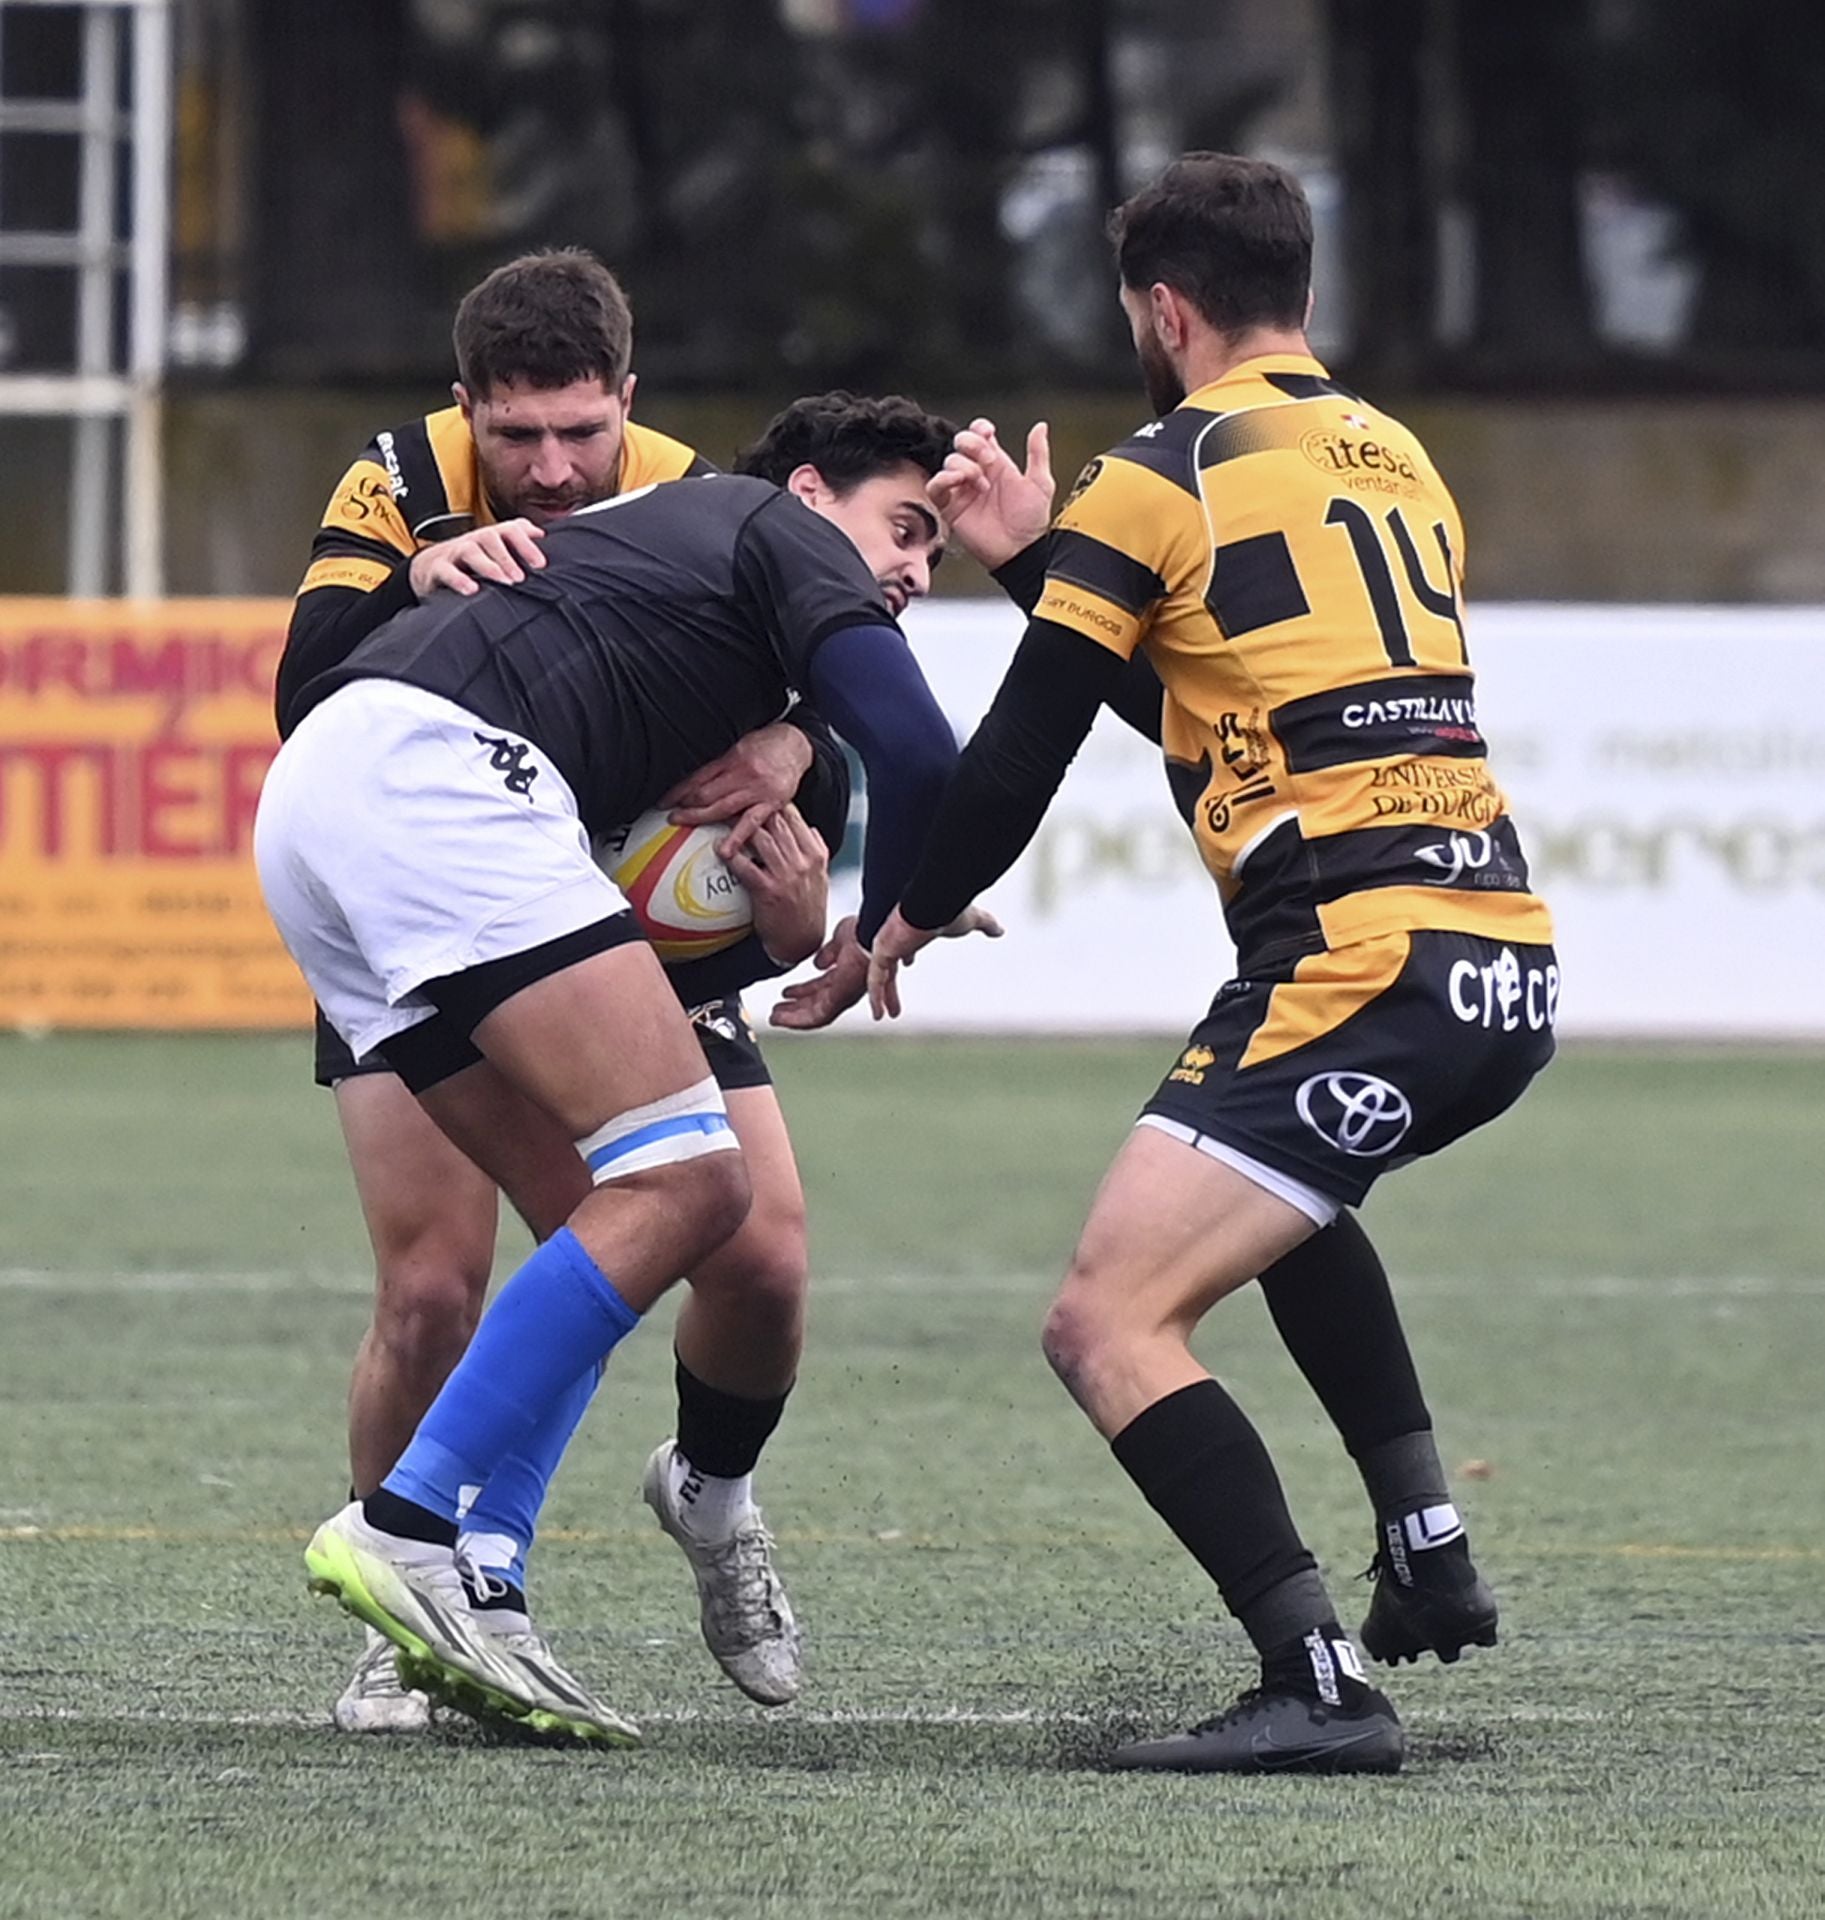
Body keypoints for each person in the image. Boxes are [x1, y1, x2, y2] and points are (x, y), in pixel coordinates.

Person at [872, 152, 1558, 1774]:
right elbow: (1211, 694)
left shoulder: (1159, 469)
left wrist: (892, 916)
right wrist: (1047, 562)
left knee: (1104, 1318)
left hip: (1352, 962)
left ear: (1162, 310)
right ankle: (1426, 1541)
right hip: (1497, 962)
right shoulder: (1398, 458)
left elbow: (1022, 746)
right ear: (1296, 293)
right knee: (1278, 1199)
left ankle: (1314, 1679)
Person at [257, 391, 1008, 1743]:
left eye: (929, 556)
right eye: (898, 530)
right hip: (443, 788)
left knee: (599, 1216)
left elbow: (799, 783)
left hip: (325, 807)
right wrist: (883, 932)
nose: (904, 567)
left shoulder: (696, 582)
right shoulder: (771, 534)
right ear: (807, 498)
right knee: (690, 1184)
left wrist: (801, 882)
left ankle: (481, 1583)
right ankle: (408, 1526)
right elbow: (922, 752)